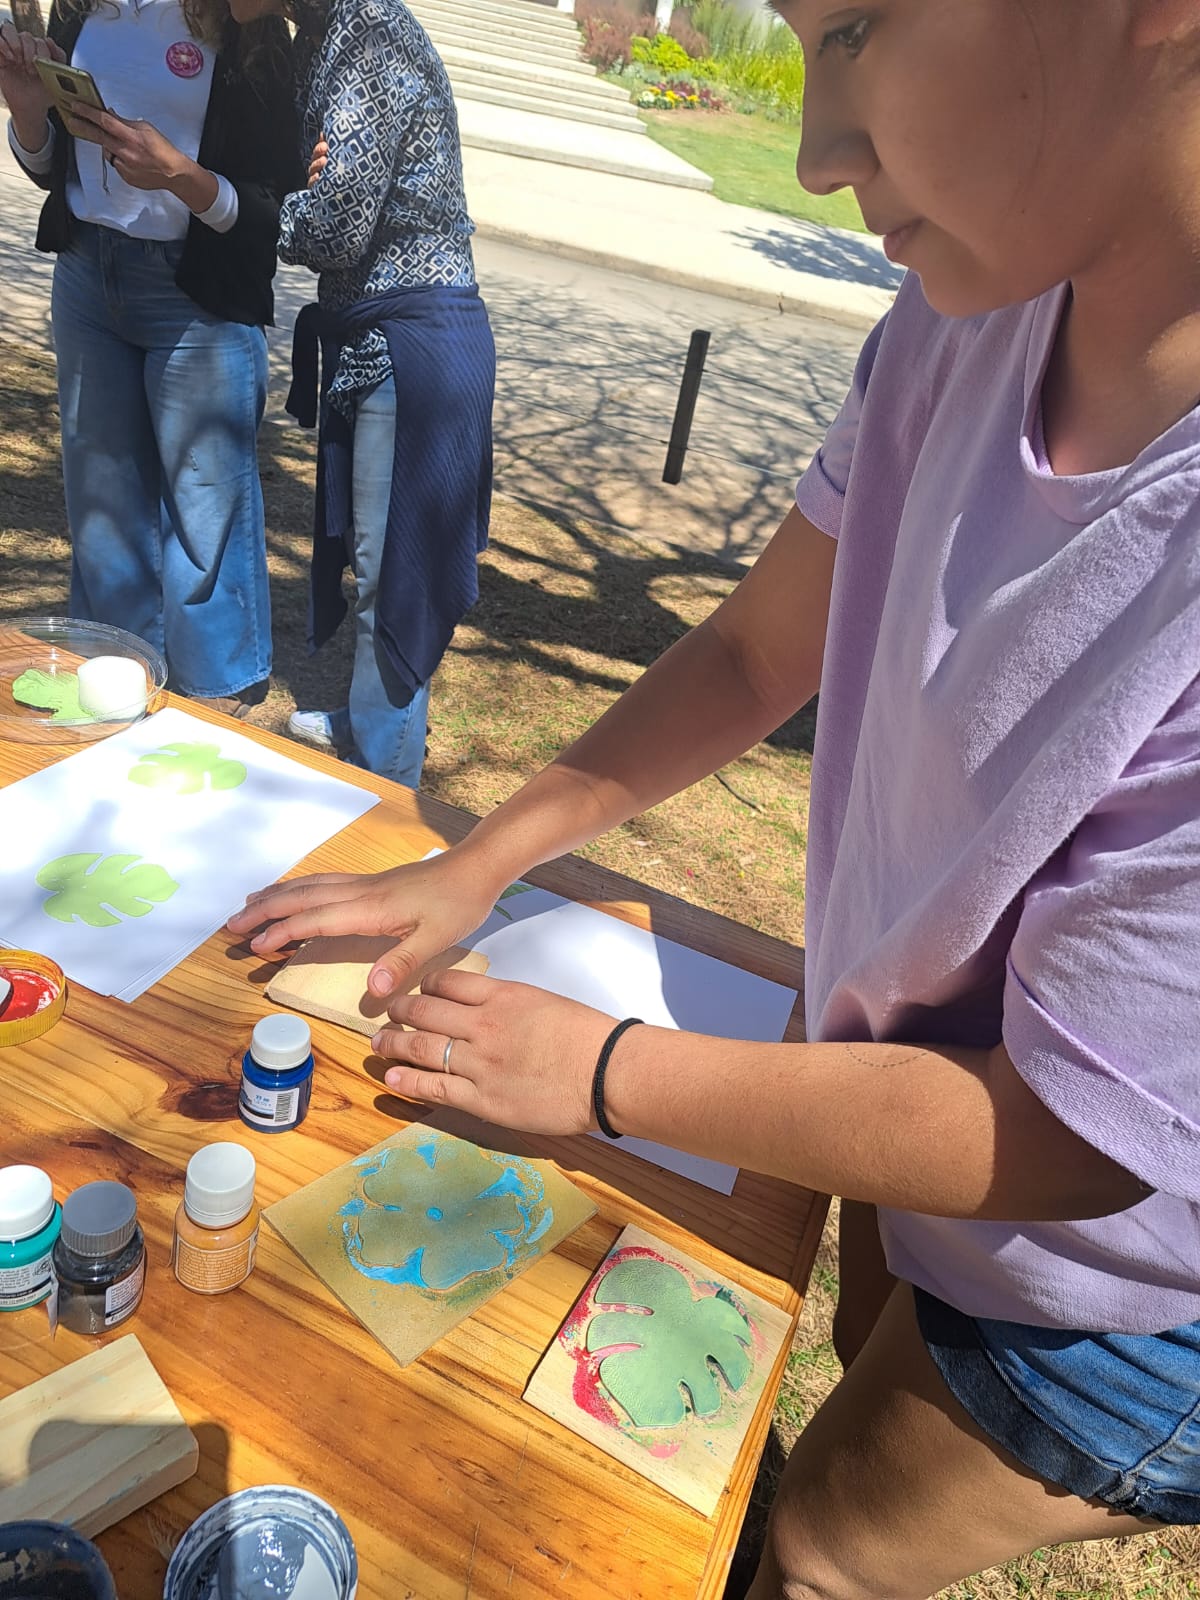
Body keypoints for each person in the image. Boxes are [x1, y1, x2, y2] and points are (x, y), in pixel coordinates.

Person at [229, 1, 1200, 1594]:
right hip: (903, 1113)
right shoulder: (964, 312)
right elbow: (757, 649)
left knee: (795, 1553)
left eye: (856, 26)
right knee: (826, 1403)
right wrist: (481, 861)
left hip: (1121, 1292)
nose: (814, 152)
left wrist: (607, 1072)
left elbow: (1074, 1135)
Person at [0, 0, 299, 716]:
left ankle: (213, 706)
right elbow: (53, 168)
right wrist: (28, 113)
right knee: (102, 505)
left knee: (205, 511)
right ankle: (113, 687)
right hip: (87, 275)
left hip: (195, 295)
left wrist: (178, 176)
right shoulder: (83, 10)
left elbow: (271, 210)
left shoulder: (247, 21)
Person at [228, 0, 494, 790]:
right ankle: (369, 724)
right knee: (375, 563)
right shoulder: (319, 35)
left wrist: (271, 205)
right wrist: (303, 190)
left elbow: (336, 228)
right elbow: (316, 191)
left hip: (414, 351)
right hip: (374, 342)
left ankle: (382, 792)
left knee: (393, 578)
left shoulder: (371, 38)